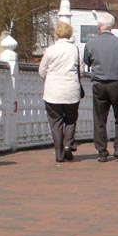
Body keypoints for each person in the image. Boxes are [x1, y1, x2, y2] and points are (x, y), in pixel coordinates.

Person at [83, 13, 118, 162]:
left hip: (99, 84)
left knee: (100, 119)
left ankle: (102, 151)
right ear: (112, 26)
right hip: (117, 83)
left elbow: (87, 60)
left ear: (99, 27)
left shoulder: (90, 44)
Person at [38, 21, 82, 164]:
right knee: (70, 120)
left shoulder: (50, 50)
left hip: (53, 92)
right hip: (71, 90)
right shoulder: (75, 49)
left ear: (56, 34)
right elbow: (80, 69)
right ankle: (69, 143)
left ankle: (59, 154)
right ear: (69, 34)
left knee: (56, 123)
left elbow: (42, 70)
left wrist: (49, 77)